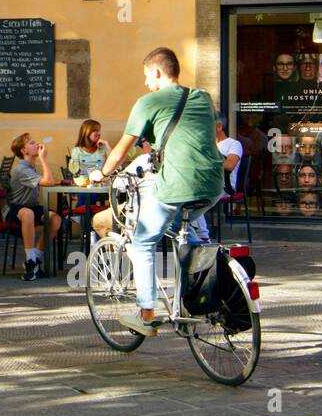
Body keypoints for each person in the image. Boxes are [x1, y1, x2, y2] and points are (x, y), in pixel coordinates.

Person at [89, 47, 222, 337]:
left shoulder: (148, 102)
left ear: (158, 72)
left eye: (147, 76)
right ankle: (198, 296)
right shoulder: (202, 97)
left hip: (175, 185)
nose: (147, 83)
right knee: (183, 232)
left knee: (143, 241)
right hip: (213, 186)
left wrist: (102, 172)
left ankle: (147, 313)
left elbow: (123, 147)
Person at [5, 133, 62, 281]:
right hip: (16, 208)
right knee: (28, 213)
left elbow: (48, 181)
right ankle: (30, 260)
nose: (37, 145)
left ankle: (36, 258)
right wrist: (43, 158)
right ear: (24, 151)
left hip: (31, 206)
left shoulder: (31, 166)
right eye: (32, 143)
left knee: (55, 219)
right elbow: (48, 182)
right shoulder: (22, 169)